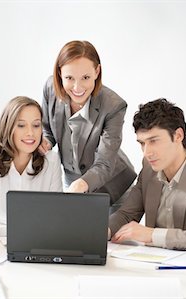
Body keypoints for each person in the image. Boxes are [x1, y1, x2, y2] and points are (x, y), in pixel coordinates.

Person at [109, 98, 186, 255]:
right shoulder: (149, 168)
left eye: (154, 141)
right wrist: (104, 231)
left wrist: (151, 235)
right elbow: (127, 214)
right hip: (158, 265)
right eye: (142, 143)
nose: (147, 152)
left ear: (178, 136)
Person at [40, 40, 136, 207]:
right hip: (73, 183)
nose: (77, 87)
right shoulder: (50, 88)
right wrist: (45, 143)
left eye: (85, 77)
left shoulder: (114, 106)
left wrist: (79, 185)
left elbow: (105, 163)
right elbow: (47, 128)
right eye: (69, 78)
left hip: (113, 186)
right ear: (59, 73)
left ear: (97, 71)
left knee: (107, 233)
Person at [0, 96, 62, 236]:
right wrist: (24, 231)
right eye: (21, 125)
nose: (30, 133)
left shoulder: (51, 160)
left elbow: (56, 216)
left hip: (37, 243)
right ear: (8, 127)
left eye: (36, 125)